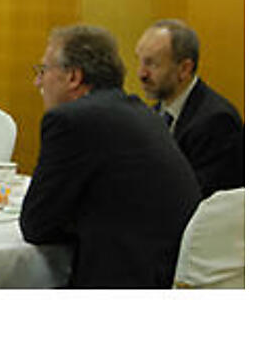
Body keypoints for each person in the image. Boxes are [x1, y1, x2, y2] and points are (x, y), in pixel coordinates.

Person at [19, 24, 201, 288]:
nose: (38, 82)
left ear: (73, 77)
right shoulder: (140, 112)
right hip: (167, 272)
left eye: (43, 70)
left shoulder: (71, 121)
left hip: (123, 278)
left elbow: (36, 225)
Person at [135, 19, 245, 199]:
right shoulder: (154, 113)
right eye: (140, 61)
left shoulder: (217, 121)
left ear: (185, 69)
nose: (141, 73)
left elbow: (200, 197)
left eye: (152, 64)